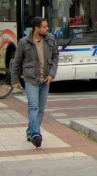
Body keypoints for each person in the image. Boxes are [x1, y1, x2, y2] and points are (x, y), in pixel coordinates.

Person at [11, 16, 58, 148]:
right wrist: (15, 80)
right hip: (31, 79)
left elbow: (55, 57)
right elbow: (17, 62)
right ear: (36, 28)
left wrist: (51, 74)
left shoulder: (50, 39)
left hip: (45, 79)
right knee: (33, 106)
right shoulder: (24, 42)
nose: (47, 28)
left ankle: (30, 131)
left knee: (41, 109)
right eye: (44, 26)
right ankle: (36, 135)